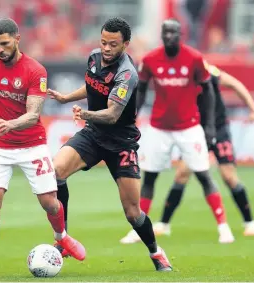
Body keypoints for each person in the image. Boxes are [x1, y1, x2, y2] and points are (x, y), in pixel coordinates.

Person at [48, 17, 172, 272]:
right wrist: (66, 98)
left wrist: (85, 114)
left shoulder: (127, 74)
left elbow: (113, 113)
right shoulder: (94, 57)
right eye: (103, 42)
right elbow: (93, 86)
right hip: (93, 135)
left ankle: (156, 252)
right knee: (55, 172)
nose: (106, 48)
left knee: (133, 212)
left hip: (121, 143)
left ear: (125, 44)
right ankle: (63, 239)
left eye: (113, 44)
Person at [0, 18, 85, 280]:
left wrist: (10, 124)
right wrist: (5, 128)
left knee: (50, 204)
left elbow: (33, 115)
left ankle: (61, 237)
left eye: (5, 43)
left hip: (32, 144)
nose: (0, 49)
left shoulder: (35, 71)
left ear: (17, 39)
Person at [120, 19, 234, 245]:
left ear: (180, 34)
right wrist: (132, 118)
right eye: (166, 32)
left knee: (203, 175)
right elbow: (141, 92)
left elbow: (209, 92)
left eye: (173, 32)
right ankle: (138, 229)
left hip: (189, 127)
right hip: (159, 127)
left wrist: (209, 125)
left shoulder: (194, 58)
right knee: (149, 177)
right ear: (162, 35)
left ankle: (223, 226)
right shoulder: (150, 60)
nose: (169, 36)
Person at [150, 63, 254, 237]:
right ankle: (163, 224)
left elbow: (235, 84)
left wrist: (253, 109)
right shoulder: (180, 80)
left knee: (229, 176)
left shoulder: (209, 71)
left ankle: (250, 223)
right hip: (197, 132)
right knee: (182, 174)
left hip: (219, 129)